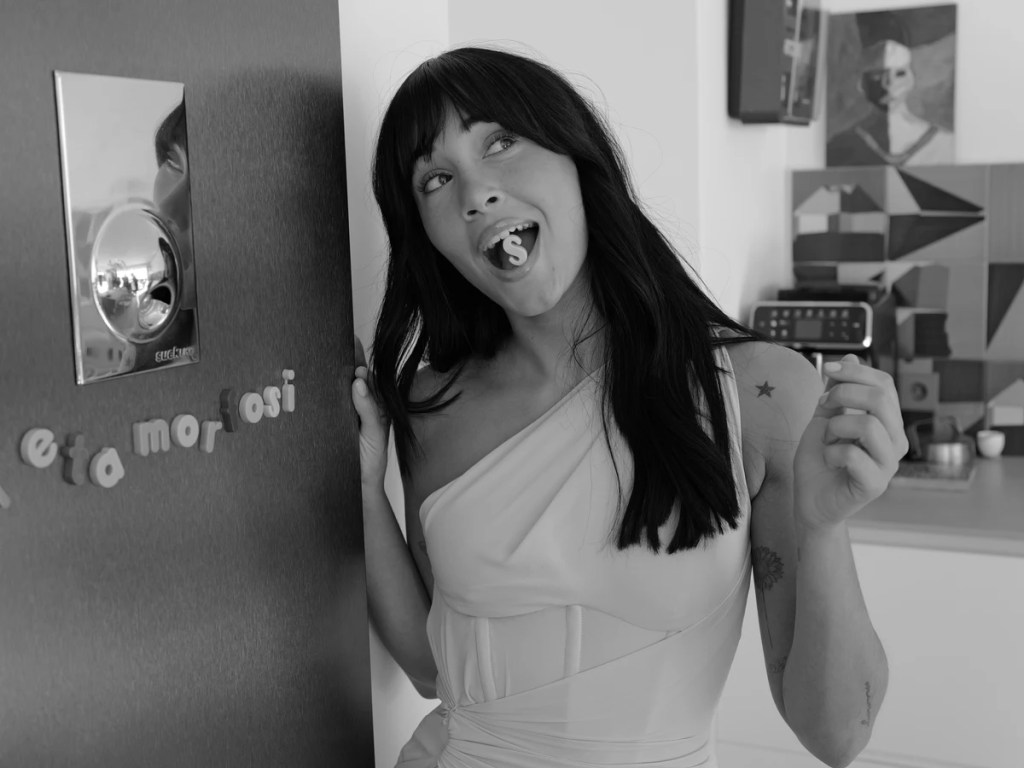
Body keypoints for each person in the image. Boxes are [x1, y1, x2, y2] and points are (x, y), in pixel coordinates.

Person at [351, 46, 906, 768]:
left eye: (501, 142)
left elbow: (838, 735)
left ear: (577, 157)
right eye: (436, 178)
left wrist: (824, 528)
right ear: (425, 232)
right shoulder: (432, 405)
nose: (476, 193)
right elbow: (433, 669)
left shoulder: (759, 392)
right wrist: (365, 492)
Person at [826, 36, 954, 167]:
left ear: (911, 79)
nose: (889, 85)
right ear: (861, 85)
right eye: (877, 77)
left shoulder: (945, 143)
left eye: (899, 74)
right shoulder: (844, 145)